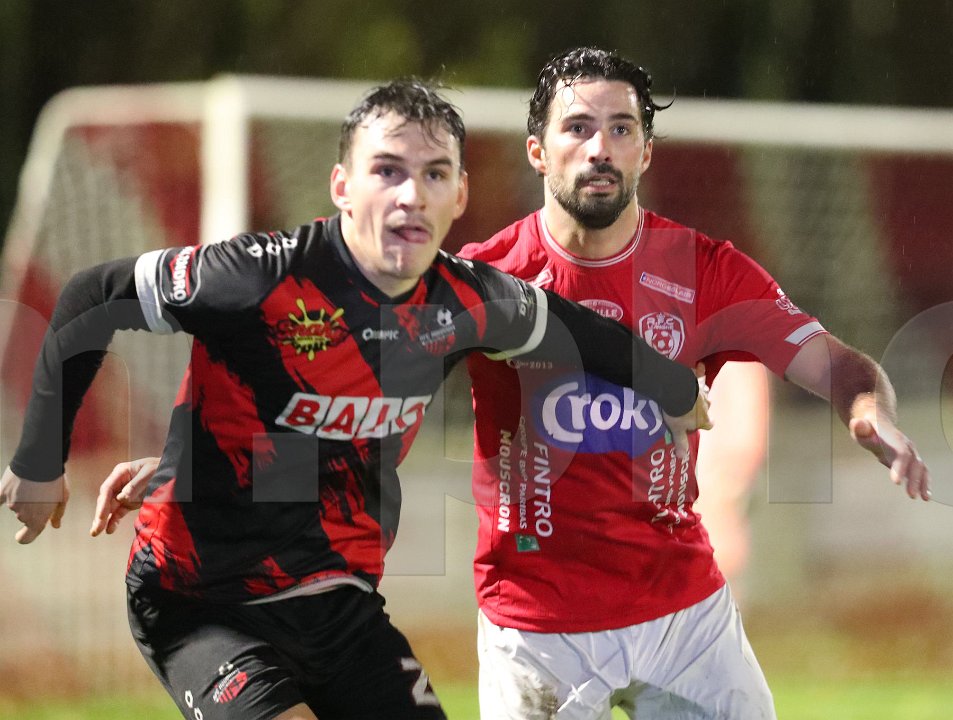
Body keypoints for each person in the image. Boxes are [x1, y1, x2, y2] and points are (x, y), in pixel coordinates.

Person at [0, 79, 711, 720]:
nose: (411, 195)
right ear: (342, 185)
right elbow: (92, 296)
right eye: (387, 171)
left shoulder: (468, 302)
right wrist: (39, 460)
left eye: (434, 174)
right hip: (201, 601)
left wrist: (676, 388)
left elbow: (580, 332)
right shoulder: (260, 279)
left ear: (459, 196)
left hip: (338, 602)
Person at [456, 47, 931, 719]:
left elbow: (837, 365)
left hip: (682, 616)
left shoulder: (704, 270)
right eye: (578, 128)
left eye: (621, 129)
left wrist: (867, 410)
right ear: (537, 151)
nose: (600, 148)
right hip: (535, 625)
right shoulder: (486, 275)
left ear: (645, 153)